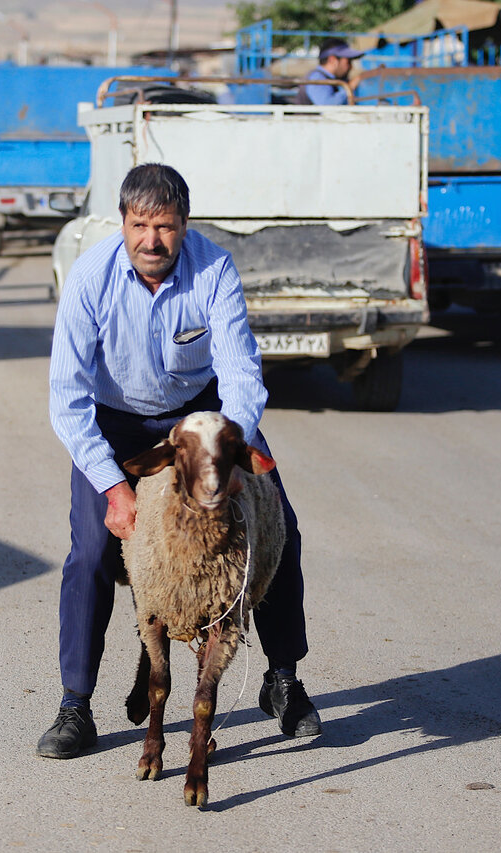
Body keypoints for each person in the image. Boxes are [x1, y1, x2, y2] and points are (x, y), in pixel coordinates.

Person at [40, 163, 322, 760]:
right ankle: (75, 705)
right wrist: (115, 488)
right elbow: (67, 399)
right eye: (139, 225)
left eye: (164, 226)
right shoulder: (91, 279)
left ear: (184, 226)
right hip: (116, 423)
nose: (151, 240)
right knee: (91, 552)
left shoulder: (214, 269)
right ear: (122, 223)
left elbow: (242, 374)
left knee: (281, 531)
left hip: (205, 418)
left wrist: (232, 450)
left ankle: (284, 680)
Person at [297, 37, 364, 106]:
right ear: (332, 60)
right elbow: (327, 105)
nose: (351, 67)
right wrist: (351, 86)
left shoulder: (335, 79)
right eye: (348, 62)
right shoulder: (316, 78)